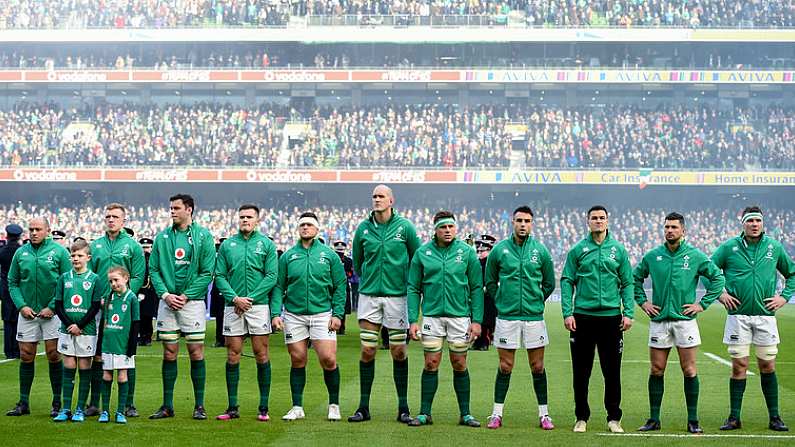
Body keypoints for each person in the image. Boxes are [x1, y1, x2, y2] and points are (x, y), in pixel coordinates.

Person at [633, 212, 725, 434]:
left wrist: (701, 304)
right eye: (666, 227)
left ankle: (693, 420)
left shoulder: (694, 255)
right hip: (659, 321)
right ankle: (654, 419)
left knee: (689, 369)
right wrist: (643, 302)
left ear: (683, 231)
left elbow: (717, 278)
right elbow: (634, 278)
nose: (669, 230)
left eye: (674, 227)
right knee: (656, 369)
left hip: (685, 321)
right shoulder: (653, 256)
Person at [711, 206, 795, 432]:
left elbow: (792, 274)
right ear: (743, 223)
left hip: (766, 317)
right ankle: (734, 417)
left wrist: (784, 297)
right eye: (751, 221)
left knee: (767, 364)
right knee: (739, 365)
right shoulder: (729, 247)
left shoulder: (774, 247)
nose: (755, 224)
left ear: (762, 223)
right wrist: (720, 293)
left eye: (758, 220)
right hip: (738, 317)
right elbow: (708, 270)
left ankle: (775, 417)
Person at [349, 185, 421, 424]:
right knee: (368, 350)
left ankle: (403, 408)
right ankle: (363, 407)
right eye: (374, 196)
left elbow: (417, 259)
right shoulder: (363, 228)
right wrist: (370, 281)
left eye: (381, 196)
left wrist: (406, 286)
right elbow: (358, 262)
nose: (377, 199)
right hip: (369, 296)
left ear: (391, 200)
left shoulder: (405, 227)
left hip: (397, 297)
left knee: (398, 351)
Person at [407, 211, 483, 428]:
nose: (447, 231)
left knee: (459, 363)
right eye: (443, 227)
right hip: (432, 316)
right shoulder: (422, 253)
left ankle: (465, 414)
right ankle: (424, 413)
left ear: (455, 228)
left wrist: (476, 320)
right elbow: (413, 288)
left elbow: (477, 288)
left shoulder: (467, 252)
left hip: (460, 318)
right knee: (431, 363)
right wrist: (413, 319)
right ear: (435, 229)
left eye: (451, 227)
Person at [561, 205, 634, 433]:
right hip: (583, 318)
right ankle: (581, 417)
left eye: (602, 218)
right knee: (581, 372)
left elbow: (628, 283)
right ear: (588, 221)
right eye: (594, 218)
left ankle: (614, 418)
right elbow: (566, 281)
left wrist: (629, 312)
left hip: (611, 319)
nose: (598, 221)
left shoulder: (618, 250)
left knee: (612, 372)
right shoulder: (578, 250)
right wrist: (567, 312)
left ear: (608, 221)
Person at [484, 207, 556, 430]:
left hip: (533, 318)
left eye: (527, 221)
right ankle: (496, 414)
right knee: (505, 366)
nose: (523, 224)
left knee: (537, 366)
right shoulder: (500, 251)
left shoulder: (540, 251)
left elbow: (549, 284)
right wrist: (502, 303)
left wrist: (536, 301)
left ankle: (544, 414)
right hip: (507, 317)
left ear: (532, 224)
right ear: (512, 222)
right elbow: (490, 282)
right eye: (519, 220)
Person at [271, 212, 346, 422]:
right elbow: (278, 286)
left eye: (309, 225)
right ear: (298, 229)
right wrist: (276, 313)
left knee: (329, 359)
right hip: (294, 315)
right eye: (302, 224)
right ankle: (297, 406)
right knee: (297, 359)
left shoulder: (329, 255)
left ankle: (334, 405)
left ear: (317, 229)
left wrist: (338, 314)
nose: (305, 228)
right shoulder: (287, 256)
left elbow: (340, 286)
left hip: (322, 314)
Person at [148, 194, 215, 420]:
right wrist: (166, 295)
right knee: (169, 352)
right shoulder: (161, 238)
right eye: (171, 208)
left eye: (176, 208)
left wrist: (186, 296)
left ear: (189, 210)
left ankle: (199, 405)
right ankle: (167, 405)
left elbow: (207, 272)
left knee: (196, 351)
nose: (172, 212)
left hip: (192, 303)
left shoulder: (203, 236)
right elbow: (154, 270)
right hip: (167, 303)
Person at [214, 205, 278, 422]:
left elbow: (271, 276)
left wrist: (248, 299)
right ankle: (232, 407)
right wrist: (235, 298)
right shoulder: (227, 245)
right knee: (233, 354)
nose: (245, 220)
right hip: (233, 306)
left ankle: (263, 407)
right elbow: (219, 275)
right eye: (242, 217)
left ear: (257, 220)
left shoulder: (267, 244)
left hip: (257, 307)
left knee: (261, 353)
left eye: (249, 217)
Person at [6, 217, 71, 417]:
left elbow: (66, 281)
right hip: (27, 312)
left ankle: (57, 402)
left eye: (38, 229)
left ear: (48, 230)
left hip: (52, 313)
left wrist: (52, 306)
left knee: (53, 354)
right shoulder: (21, 252)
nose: (34, 233)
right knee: (26, 355)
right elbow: (13, 282)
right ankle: (23, 402)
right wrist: (22, 306)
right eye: (31, 229)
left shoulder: (59, 252)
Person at [88, 203, 145, 418]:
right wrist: (97, 301)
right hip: (100, 309)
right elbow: (92, 277)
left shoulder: (133, 246)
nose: (111, 219)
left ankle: (128, 404)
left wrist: (125, 298)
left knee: (127, 355)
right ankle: (95, 403)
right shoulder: (96, 246)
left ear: (124, 221)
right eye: (108, 216)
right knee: (97, 355)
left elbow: (138, 276)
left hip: (124, 310)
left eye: (115, 216)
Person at [52, 240, 103, 422]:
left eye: (80, 255)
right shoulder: (64, 278)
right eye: (73, 255)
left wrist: (79, 325)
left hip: (86, 330)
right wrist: (69, 325)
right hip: (67, 330)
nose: (76, 258)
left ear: (88, 257)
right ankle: (66, 409)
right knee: (69, 366)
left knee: (84, 366)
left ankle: (80, 408)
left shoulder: (95, 279)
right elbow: (58, 305)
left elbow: (95, 306)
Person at [98, 266, 139, 424]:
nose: (113, 284)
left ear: (126, 278)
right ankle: (105, 411)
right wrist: (99, 345)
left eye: (116, 280)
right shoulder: (109, 297)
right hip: (108, 344)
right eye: (110, 281)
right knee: (107, 375)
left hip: (123, 345)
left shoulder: (132, 298)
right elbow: (104, 321)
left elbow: (135, 323)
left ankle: (120, 412)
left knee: (122, 376)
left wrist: (132, 348)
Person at [1, 224, 24, 360]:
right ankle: (16, 349)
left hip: (5, 287)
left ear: (7, 236)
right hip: (19, 288)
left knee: (7, 319)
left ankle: (8, 350)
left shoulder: (2, 251)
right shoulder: (21, 252)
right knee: (18, 318)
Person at [471, 235, 495, 351]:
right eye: (478, 250)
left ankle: (485, 342)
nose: (480, 253)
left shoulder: (492, 263)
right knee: (477, 318)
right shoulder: (477, 263)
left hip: (489, 296)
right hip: (478, 295)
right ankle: (477, 342)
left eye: (483, 250)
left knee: (486, 320)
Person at [137, 238, 157, 346]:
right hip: (139, 290)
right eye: (143, 247)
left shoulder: (154, 259)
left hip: (150, 290)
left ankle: (148, 336)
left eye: (147, 247)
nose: (145, 250)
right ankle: (140, 336)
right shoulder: (138, 259)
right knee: (139, 314)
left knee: (148, 315)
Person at [332, 240, 353, 335]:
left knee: (343, 308)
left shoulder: (348, 261)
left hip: (344, 286)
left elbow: (350, 273)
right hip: (333, 286)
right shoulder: (332, 259)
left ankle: (342, 328)